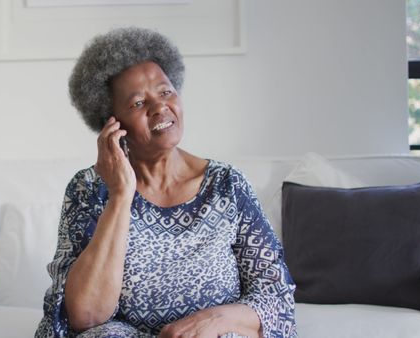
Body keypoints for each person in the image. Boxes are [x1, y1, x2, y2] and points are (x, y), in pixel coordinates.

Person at [35, 27, 297, 338]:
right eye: (137, 103)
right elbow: (85, 315)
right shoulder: (89, 189)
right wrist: (120, 195)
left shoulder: (227, 185)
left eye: (165, 91)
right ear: (111, 123)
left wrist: (211, 322)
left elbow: (276, 297)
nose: (159, 107)